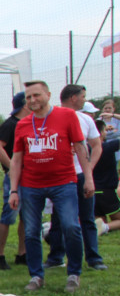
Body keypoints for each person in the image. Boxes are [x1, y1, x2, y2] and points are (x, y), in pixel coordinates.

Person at [8, 80, 91, 294]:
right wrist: (14, 190)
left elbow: (80, 148)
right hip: (32, 185)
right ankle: (36, 276)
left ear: (48, 94)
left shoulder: (67, 116)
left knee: (71, 226)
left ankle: (73, 273)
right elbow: (16, 160)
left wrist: (89, 178)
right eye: (28, 97)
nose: (32, 100)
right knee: (31, 232)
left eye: (36, 95)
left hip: (63, 182)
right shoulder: (23, 124)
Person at [44, 86, 105, 271]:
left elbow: (97, 145)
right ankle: (56, 256)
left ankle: (94, 258)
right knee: (58, 219)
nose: (84, 101)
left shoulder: (86, 119)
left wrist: (88, 169)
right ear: (73, 98)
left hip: (80, 176)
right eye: (83, 97)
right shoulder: (51, 117)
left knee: (87, 218)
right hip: (60, 177)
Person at [0, 91, 29, 270]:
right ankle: (0, 256)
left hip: (30, 178)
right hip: (15, 180)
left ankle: (22, 253)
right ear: (24, 104)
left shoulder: (30, 123)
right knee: (8, 216)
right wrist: (13, 167)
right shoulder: (11, 124)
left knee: (26, 217)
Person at [92, 118, 120, 233]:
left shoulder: (88, 149)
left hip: (93, 191)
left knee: (100, 219)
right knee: (116, 220)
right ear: (101, 132)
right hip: (107, 191)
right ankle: (105, 228)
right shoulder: (109, 147)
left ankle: (101, 227)